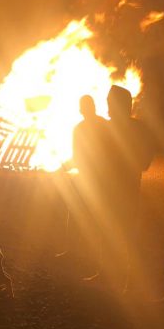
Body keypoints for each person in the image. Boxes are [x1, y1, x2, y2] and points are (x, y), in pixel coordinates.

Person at [88, 85, 154, 288]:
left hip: (120, 189)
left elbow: (143, 161)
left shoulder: (108, 129)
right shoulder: (137, 128)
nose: (107, 105)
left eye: (110, 102)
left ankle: (126, 280)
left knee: (123, 234)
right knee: (111, 232)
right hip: (118, 188)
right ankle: (112, 276)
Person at [58, 95, 105, 262]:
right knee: (79, 214)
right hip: (91, 177)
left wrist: (64, 167)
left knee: (91, 216)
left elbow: (79, 156)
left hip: (95, 178)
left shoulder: (88, 128)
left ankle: (87, 254)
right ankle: (76, 251)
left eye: (85, 105)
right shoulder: (99, 125)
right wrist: (65, 166)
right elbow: (77, 155)